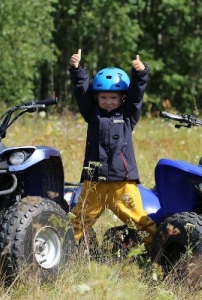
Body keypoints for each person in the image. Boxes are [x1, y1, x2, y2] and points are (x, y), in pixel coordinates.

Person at [69, 49, 156, 252]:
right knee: (78, 221)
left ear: (122, 99)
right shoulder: (92, 114)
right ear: (96, 98)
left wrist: (140, 74)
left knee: (140, 221)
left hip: (122, 182)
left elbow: (136, 96)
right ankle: (62, 255)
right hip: (95, 182)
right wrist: (77, 70)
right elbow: (82, 93)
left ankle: (157, 252)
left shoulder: (128, 116)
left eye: (113, 97)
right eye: (103, 97)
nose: (108, 101)